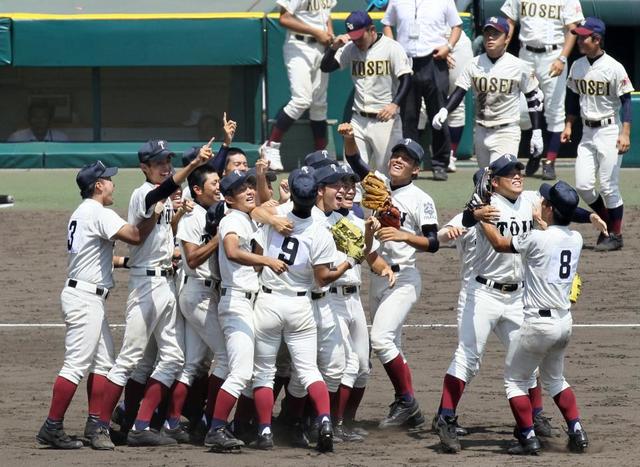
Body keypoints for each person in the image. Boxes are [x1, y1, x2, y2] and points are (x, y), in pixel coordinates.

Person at [91, 139, 212, 450]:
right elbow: (163, 192)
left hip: (166, 283)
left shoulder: (164, 198)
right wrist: (194, 164)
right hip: (145, 285)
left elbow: (162, 227)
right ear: (144, 167)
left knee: (172, 357)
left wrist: (177, 218)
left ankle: (141, 424)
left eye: (167, 160)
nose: (165, 165)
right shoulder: (144, 192)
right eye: (158, 162)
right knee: (128, 358)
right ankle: (99, 427)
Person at [36, 161, 158, 449]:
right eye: (110, 180)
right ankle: (52, 426)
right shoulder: (98, 212)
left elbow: (95, 256)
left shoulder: (81, 213)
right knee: (76, 365)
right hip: (85, 299)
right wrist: (154, 213)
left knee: (104, 362)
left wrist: (126, 262)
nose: (114, 184)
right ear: (98, 185)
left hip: (84, 293)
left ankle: (95, 425)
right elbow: (135, 236)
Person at [478, 180, 589, 455]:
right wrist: (543, 220)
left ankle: (528, 437)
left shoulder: (536, 237)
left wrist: (482, 218)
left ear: (549, 209)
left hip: (539, 325)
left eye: (545, 200)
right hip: (564, 323)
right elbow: (550, 236)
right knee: (555, 380)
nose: (540, 201)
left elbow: (501, 244)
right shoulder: (576, 239)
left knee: (515, 380)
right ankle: (577, 431)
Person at [340, 123, 439, 429]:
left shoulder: (421, 199)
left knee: (380, 339)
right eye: (396, 155)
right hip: (377, 277)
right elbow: (356, 164)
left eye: (406, 159)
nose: (398, 160)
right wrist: (349, 139)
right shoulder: (378, 182)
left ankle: (408, 400)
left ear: (416, 170)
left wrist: (404, 236)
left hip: (405, 279)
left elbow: (433, 243)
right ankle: (406, 404)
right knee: (390, 342)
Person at [251, 167, 355, 452]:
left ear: (293, 194)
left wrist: (272, 220)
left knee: (263, 372)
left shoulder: (278, 215)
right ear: (315, 196)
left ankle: (264, 431)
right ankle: (323, 420)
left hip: (269, 302)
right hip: (301, 304)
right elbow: (321, 278)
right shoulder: (320, 231)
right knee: (309, 370)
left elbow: (257, 254)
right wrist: (348, 264)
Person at [204, 170, 289, 452]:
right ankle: (216, 428)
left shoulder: (245, 218)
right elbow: (230, 251)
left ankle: (227, 426)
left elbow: (261, 216)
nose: (249, 191)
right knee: (240, 372)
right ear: (228, 198)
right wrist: (265, 260)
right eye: (241, 189)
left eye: (250, 186)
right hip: (236, 304)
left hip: (247, 300)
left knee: (237, 368)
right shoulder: (231, 219)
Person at [432, 16, 545, 169]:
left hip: (507, 130)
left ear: (506, 38)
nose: (490, 38)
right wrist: (445, 110)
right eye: (487, 34)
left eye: (496, 34)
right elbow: (460, 91)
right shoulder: (473, 64)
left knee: (499, 176)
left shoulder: (518, 66)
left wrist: (537, 131)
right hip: (481, 130)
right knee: (485, 181)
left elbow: (534, 97)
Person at [561, 17, 633, 252]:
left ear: (597, 39)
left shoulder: (614, 66)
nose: (579, 40)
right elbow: (573, 97)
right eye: (579, 35)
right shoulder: (577, 65)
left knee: (609, 186)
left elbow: (626, 101)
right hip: (587, 132)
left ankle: (616, 234)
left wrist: (625, 133)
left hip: (610, 129)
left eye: (584, 36)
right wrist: (569, 124)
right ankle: (608, 224)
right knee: (583, 185)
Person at [501, 0, 584, 180]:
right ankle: (536, 151)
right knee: (521, 111)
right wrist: (503, 48)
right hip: (526, 54)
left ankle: (549, 161)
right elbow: (509, 21)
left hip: (553, 54)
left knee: (555, 111)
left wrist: (562, 58)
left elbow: (572, 28)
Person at [321, 10, 412, 173]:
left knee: (388, 175)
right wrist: (334, 47)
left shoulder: (392, 48)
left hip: (385, 120)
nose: (357, 42)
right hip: (358, 120)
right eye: (353, 38)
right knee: (352, 173)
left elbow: (406, 78)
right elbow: (326, 67)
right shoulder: (350, 48)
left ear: (371, 30)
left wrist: (394, 104)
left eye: (360, 37)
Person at [382, 0, 462, 181]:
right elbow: (387, 24)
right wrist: (393, 47)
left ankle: (440, 163)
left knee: (438, 115)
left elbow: (457, 26)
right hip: (407, 61)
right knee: (409, 117)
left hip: (435, 59)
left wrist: (448, 47)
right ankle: (411, 164)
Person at [261, 0, 337, 171]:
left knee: (319, 104)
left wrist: (329, 33)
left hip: (321, 46)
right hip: (299, 45)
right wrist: (316, 32)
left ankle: (320, 155)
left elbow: (326, 13)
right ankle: (271, 145)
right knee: (302, 100)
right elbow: (284, 18)